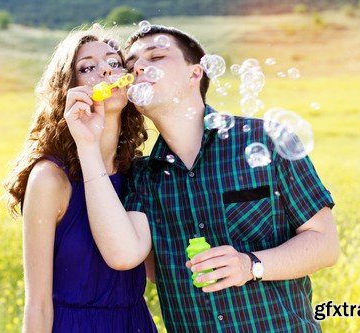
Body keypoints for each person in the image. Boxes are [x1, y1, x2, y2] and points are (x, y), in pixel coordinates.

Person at [68, 25, 339, 332]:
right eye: (131, 66)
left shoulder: (269, 139)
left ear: (195, 73)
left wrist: (251, 265)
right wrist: (87, 146)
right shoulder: (143, 176)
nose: (140, 67)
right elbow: (123, 255)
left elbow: (324, 243)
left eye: (157, 55)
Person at [3, 24, 156, 333]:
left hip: (135, 324)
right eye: (88, 68)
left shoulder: (139, 175)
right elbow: (38, 305)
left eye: (115, 63)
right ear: (68, 90)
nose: (107, 73)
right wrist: (87, 140)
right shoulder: (50, 180)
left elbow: (155, 272)